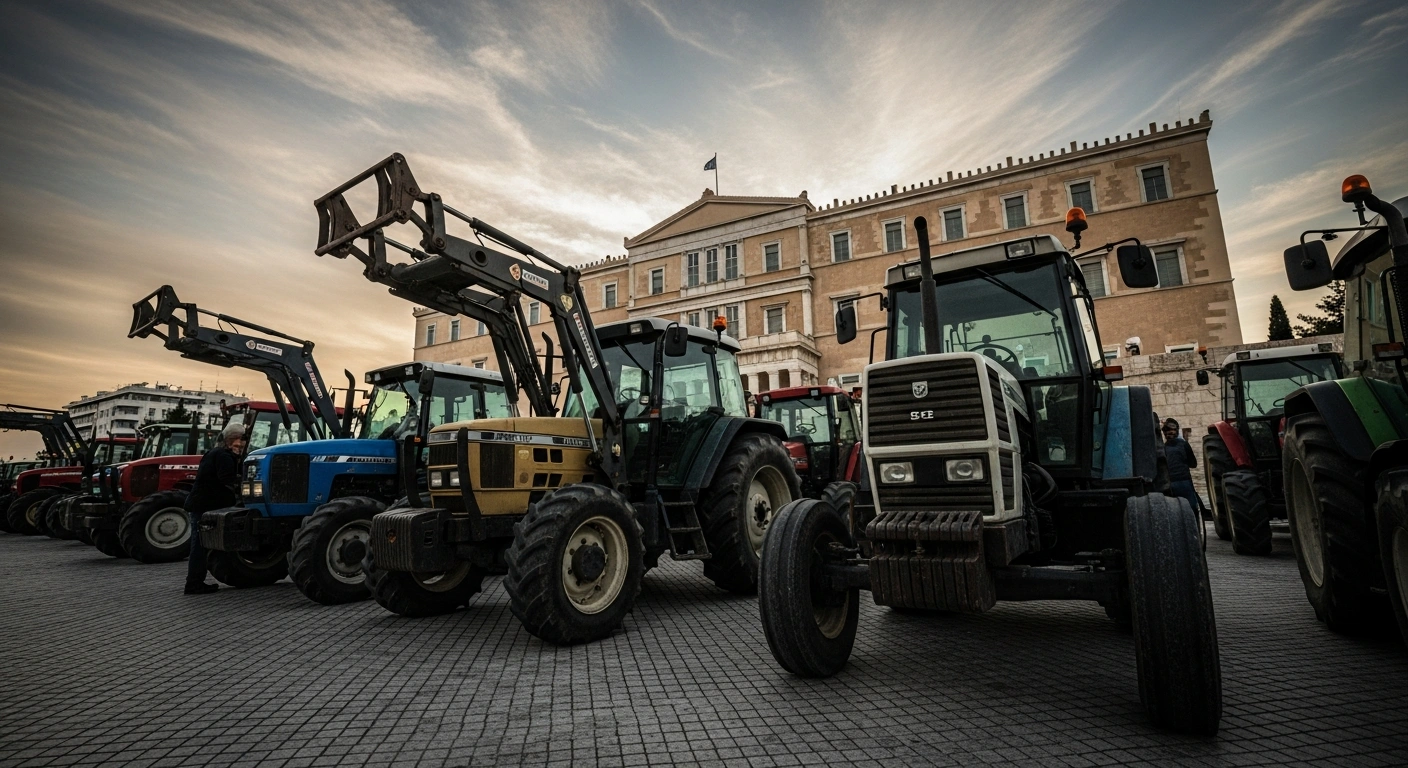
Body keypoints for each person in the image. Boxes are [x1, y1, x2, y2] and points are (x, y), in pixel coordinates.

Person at [183, 422, 246, 595]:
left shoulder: (213, 453)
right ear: (234, 439)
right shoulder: (224, 456)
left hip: (199, 504)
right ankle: (194, 583)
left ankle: (195, 581)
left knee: (200, 545)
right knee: (200, 545)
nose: (242, 444)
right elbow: (227, 479)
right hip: (205, 506)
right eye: (242, 440)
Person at [1162, 418, 1206, 517]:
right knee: (1192, 510)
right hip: (1184, 482)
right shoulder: (1184, 445)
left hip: (1169, 484)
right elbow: (1193, 464)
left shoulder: (1162, 449)